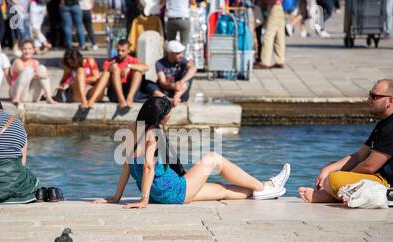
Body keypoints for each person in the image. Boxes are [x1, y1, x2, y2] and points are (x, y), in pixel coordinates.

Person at [93, 96, 291, 208]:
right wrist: (143, 201)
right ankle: (265, 185)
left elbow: (128, 165)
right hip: (172, 190)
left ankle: (261, 191)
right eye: (169, 114)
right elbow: (147, 167)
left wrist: (116, 196)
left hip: (159, 194)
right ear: (160, 117)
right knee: (213, 158)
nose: (170, 117)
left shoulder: (131, 129)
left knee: (221, 190)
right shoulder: (152, 135)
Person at [299, 79, 393, 203]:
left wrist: (345, 177)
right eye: (370, 94)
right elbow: (360, 156)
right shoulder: (383, 124)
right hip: (376, 177)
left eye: (374, 97)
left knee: (335, 179)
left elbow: (369, 166)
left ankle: (330, 196)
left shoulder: (391, 127)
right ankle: (337, 194)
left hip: (386, 183)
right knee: (331, 169)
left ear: (390, 101)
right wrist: (329, 169)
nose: (368, 100)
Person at [87, 39, 149, 110]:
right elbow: (104, 80)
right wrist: (114, 71)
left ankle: (130, 98)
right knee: (114, 68)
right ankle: (120, 99)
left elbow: (146, 67)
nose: (120, 53)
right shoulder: (110, 61)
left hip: (128, 91)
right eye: (118, 50)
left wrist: (129, 66)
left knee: (137, 72)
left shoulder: (132, 60)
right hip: (114, 93)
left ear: (128, 51)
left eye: (123, 51)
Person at [146, 40, 197, 106]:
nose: (181, 55)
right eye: (178, 53)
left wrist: (181, 81)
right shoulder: (159, 63)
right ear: (170, 53)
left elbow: (193, 69)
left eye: (181, 53)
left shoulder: (182, 60)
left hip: (180, 92)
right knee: (148, 84)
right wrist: (173, 86)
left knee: (189, 76)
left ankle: (176, 97)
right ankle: (169, 100)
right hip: (166, 91)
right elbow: (162, 82)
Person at [9, 40, 56, 105]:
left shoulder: (36, 62)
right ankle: (16, 98)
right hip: (17, 93)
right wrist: (41, 75)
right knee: (28, 70)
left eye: (30, 49)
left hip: (31, 95)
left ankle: (48, 97)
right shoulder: (17, 61)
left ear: (33, 50)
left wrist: (42, 74)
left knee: (41, 68)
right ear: (21, 50)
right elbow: (26, 74)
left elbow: (42, 75)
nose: (27, 51)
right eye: (25, 49)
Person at [253, 0, 286, 69]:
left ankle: (265, 62)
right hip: (279, 7)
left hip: (274, 7)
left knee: (268, 35)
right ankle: (280, 60)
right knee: (279, 36)